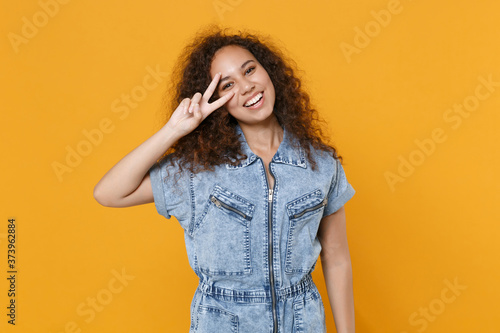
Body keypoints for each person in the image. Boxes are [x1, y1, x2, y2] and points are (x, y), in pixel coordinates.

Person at [93, 26, 356, 333]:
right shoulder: (197, 171)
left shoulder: (321, 165)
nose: (246, 87)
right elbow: (109, 193)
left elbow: (337, 259)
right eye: (227, 85)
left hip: (303, 323)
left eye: (249, 70)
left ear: (268, 72)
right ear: (215, 100)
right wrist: (175, 130)